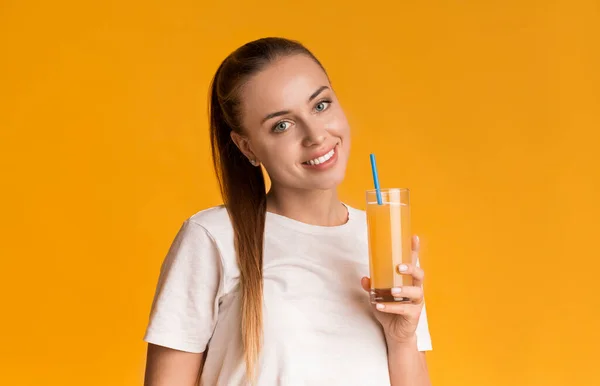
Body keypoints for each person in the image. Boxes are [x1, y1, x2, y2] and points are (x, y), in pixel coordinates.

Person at [143, 37, 433, 386]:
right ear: (247, 147)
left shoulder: (383, 244)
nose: (315, 135)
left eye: (321, 105)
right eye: (282, 125)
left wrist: (402, 338)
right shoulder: (214, 238)